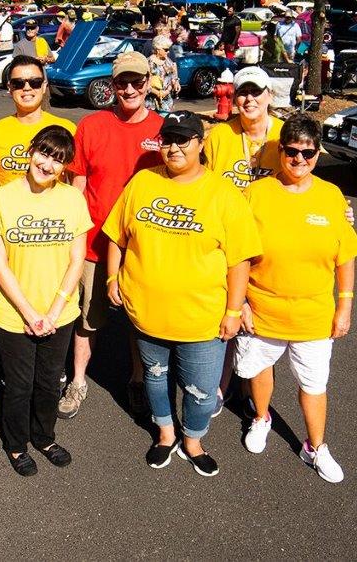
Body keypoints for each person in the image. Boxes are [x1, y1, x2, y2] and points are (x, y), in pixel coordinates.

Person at [103, 111, 262, 477]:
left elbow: (240, 260)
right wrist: (112, 278)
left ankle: (193, 440)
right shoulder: (143, 182)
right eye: (167, 140)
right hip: (146, 312)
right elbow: (117, 236)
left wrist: (234, 311)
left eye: (183, 140)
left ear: (200, 144)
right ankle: (165, 434)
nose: (173, 148)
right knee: (155, 378)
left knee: (202, 389)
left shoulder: (222, 194)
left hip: (202, 318)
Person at [235, 115, 357, 483]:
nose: (298, 160)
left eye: (307, 153)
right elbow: (238, 255)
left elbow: (346, 256)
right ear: (280, 151)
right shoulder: (255, 194)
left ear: (317, 153)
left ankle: (315, 446)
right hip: (262, 309)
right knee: (259, 372)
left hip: (313, 315)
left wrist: (346, 305)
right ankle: (261, 418)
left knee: (313, 384)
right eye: (290, 151)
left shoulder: (331, 196)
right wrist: (240, 303)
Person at [0, 126, 92, 476]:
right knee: (19, 385)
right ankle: (15, 445)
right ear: (31, 151)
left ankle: (44, 437)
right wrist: (30, 313)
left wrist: (54, 311)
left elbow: (77, 258)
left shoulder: (73, 199)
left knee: (48, 381)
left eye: (58, 160)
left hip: (59, 313)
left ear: (65, 167)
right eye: (43, 153)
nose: (48, 164)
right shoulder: (0, 198)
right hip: (14, 313)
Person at [59, 51, 163, 420]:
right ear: (112, 85)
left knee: (140, 323)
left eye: (137, 81)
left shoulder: (163, 131)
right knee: (87, 319)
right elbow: (77, 183)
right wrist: (69, 236)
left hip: (142, 249)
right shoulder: (91, 126)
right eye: (122, 82)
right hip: (92, 245)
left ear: (149, 83)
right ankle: (78, 380)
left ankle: (137, 381)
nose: (130, 89)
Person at [0, 55, 76, 191]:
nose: (27, 88)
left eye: (35, 82)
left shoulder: (67, 130)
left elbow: (76, 183)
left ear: (44, 86)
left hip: (54, 211)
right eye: (18, 83)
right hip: (8, 211)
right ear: (10, 88)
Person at [204, 66, 284, 190]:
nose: (249, 98)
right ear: (235, 99)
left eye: (256, 92)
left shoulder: (286, 134)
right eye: (243, 93)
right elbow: (207, 184)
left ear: (270, 96)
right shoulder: (219, 135)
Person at [146, 35, 179, 114]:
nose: (168, 52)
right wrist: (158, 93)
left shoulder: (169, 62)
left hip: (166, 103)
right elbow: (145, 83)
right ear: (158, 50)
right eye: (166, 49)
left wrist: (168, 90)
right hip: (150, 103)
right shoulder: (148, 63)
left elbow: (173, 78)